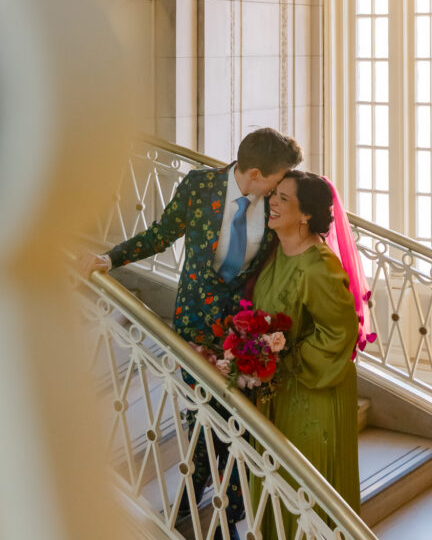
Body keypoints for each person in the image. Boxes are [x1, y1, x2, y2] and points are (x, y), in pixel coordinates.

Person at [80, 127, 303, 538]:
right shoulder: (199, 187)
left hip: (242, 335)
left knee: (233, 420)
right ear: (255, 173)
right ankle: (222, 510)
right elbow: (160, 235)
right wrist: (110, 258)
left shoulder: (275, 207)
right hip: (193, 329)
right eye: (276, 180)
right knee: (202, 414)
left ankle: (214, 507)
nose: (280, 188)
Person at [250, 170, 370, 538]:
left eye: (284, 198)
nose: (272, 202)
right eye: (274, 194)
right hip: (280, 389)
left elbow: (340, 332)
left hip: (313, 393)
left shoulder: (318, 265)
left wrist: (283, 358)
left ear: (305, 215)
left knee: (304, 483)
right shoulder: (278, 253)